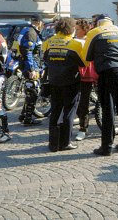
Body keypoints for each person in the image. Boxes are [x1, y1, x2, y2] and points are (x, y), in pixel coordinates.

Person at [82, 14, 118, 156]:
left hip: (109, 71)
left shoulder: (94, 32)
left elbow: (86, 56)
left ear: (98, 23)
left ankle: (106, 147)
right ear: (111, 22)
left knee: (108, 108)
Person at [43, 17, 85, 151]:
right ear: (71, 28)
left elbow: (45, 59)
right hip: (71, 82)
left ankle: (53, 144)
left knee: (55, 110)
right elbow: (84, 63)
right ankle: (66, 142)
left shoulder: (48, 42)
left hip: (54, 81)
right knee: (69, 111)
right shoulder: (75, 44)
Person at [17, 14, 45, 125]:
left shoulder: (25, 29)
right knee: (33, 92)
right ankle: (28, 119)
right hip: (30, 66)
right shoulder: (31, 33)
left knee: (29, 91)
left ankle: (23, 115)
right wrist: (32, 69)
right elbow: (28, 52)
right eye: (42, 23)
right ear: (39, 22)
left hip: (26, 64)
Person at [74, 19, 98, 141]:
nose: (75, 31)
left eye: (77, 29)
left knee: (84, 102)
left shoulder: (89, 39)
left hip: (87, 73)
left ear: (84, 30)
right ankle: (82, 121)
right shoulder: (74, 40)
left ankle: (83, 128)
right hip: (76, 73)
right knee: (77, 101)